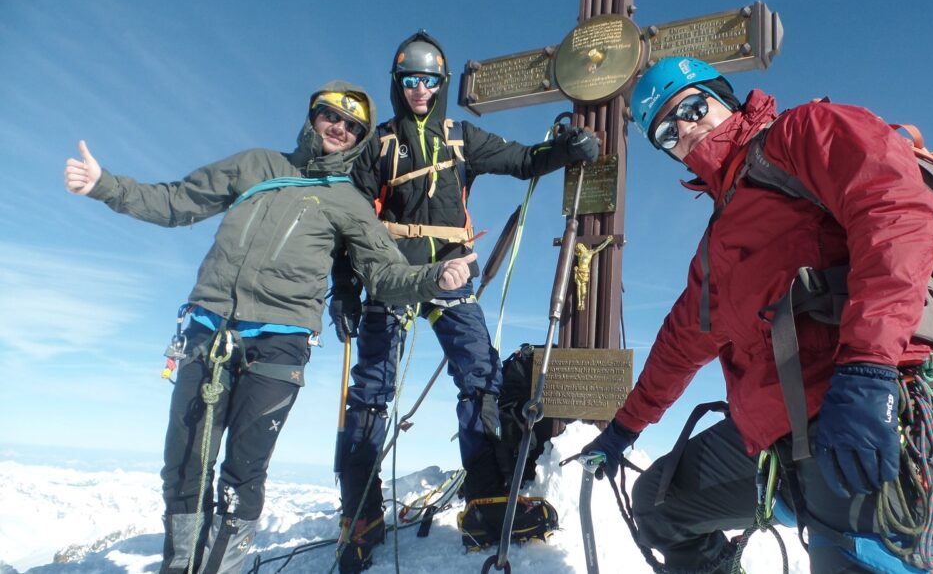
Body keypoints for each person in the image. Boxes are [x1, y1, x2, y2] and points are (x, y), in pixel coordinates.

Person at [64, 81, 477, 574]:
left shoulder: (348, 202)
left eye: (352, 126)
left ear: (360, 139)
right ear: (312, 116)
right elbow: (178, 201)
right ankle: (179, 565)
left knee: (243, 474)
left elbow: (384, 275)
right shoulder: (256, 164)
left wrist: (434, 276)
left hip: (280, 344)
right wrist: (105, 185)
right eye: (331, 115)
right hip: (208, 329)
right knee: (185, 465)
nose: (339, 128)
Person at [583, 57, 933, 573]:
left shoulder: (802, 133)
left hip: (877, 400)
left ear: (724, 97)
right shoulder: (716, 246)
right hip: (777, 440)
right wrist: (623, 430)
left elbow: (896, 212)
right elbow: (679, 345)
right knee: (660, 504)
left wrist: (868, 365)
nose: (685, 129)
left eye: (693, 107)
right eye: (666, 132)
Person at [329, 30, 598, 570]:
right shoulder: (379, 145)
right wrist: (345, 289)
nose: (420, 89)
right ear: (398, 83)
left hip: (451, 272)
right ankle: (360, 514)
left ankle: (487, 498)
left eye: (429, 80)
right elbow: (350, 223)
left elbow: (521, 159)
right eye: (410, 80)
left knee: (481, 378)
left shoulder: (461, 138)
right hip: (392, 275)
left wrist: (565, 151)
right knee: (371, 393)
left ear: (442, 84)